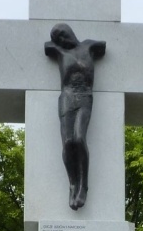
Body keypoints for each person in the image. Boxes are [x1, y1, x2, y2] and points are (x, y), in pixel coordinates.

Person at [44, 23, 106, 210]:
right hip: (67, 98)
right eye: (59, 39)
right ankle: (73, 184)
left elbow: (103, 45)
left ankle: (83, 186)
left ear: (70, 32)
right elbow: (47, 46)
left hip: (84, 97)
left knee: (79, 139)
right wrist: (55, 43)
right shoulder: (59, 51)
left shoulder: (89, 46)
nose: (63, 40)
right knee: (68, 142)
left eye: (63, 35)